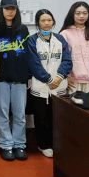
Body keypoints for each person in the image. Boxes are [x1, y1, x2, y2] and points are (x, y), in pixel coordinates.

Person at [0, 0, 30, 162]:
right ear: (1, 10)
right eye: (7, 8)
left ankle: (19, 145)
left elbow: (28, 54)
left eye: (12, 8)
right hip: (1, 79)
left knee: (20, 114)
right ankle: (6, 145)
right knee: (2, 114)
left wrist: (28, 76)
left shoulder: (23, 30)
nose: (10, 12)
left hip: (20, 79)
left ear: (16, 10)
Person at [27, 9, 72, 158]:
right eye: (43, 20)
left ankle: (56, 145)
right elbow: (34, 64)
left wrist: (58, 78)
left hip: (59, 86)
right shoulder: (32, 40)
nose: (47, 23)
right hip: (40, 87)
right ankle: (44, 145)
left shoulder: (60, 39)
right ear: (37, 23)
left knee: (58, 118)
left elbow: (67, 60)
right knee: (41, 118)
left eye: (49, 20)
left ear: (53, 22)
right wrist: (48, 79)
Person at [60, 1, 89, 94]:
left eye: (85, 13)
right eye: (78, 13)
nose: (81, 16)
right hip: (72, 81)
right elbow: (60, 58)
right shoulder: (65, 34)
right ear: (72, 15)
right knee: (73, 104)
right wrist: (65, 77)